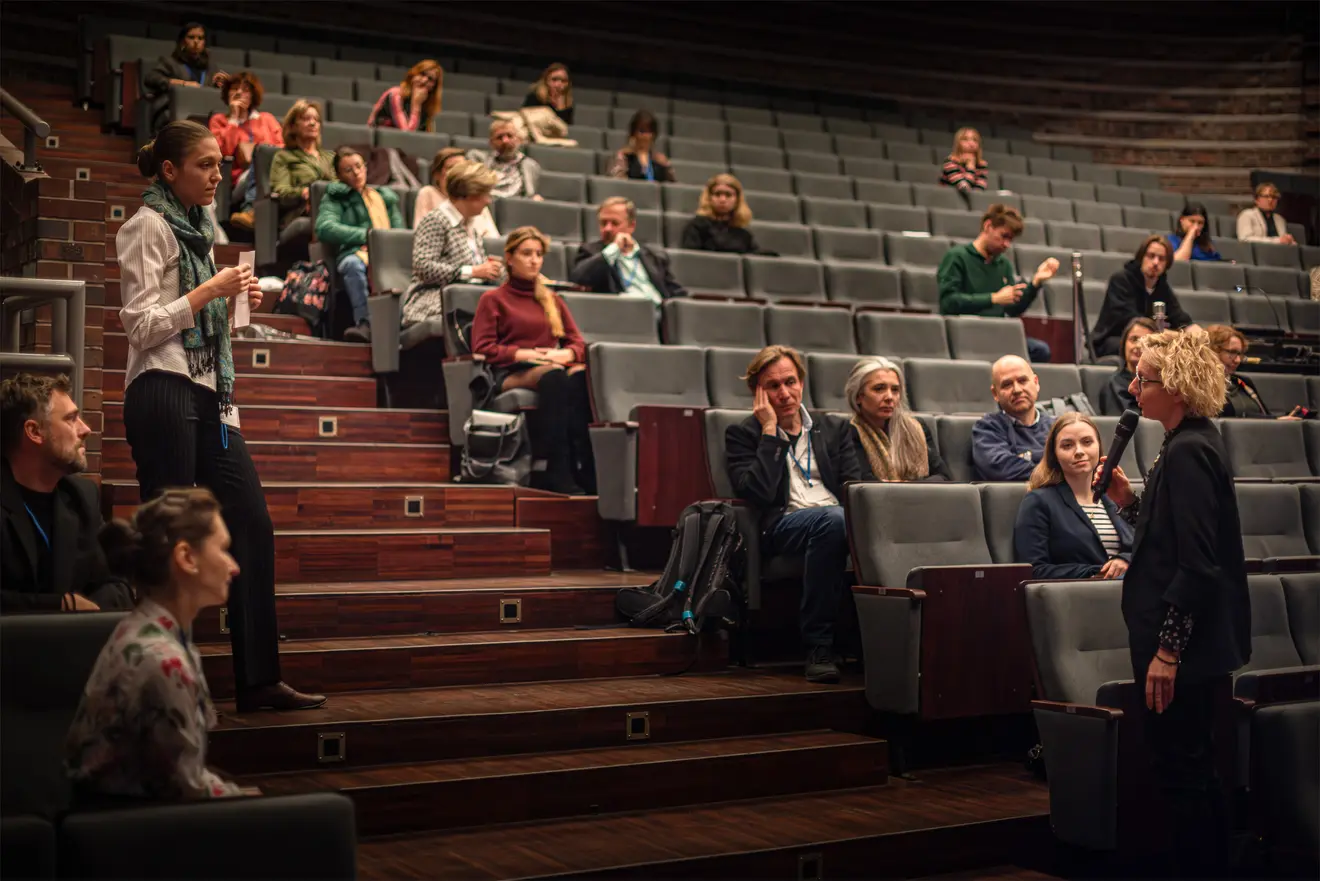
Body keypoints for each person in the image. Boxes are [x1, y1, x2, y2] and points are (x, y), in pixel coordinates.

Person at [117, 121, 324, 712]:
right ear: (170, 171)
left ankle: (258, 681)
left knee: (252, 525)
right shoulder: (146, 225)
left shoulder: (201, 227)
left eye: (220, 164)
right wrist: (211, 290)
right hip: (161, 386)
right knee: (169, 540)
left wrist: (236, 303)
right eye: (205, 165)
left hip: (212, 392)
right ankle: (162, 685)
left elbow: (205, 325)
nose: (218, 175)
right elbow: (141, 326)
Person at [1098, 327, 1249, 880]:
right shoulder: (1189, 440)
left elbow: (1198, 565)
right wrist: (1127, 502)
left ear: (1178, 388)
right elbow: (1169, 540)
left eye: (1144, 379)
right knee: (1193, 771)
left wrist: (1168, 651)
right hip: (1192, 645)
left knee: (1184, 775)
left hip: (1185, 650)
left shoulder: (1188, 452)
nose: (1133, 388)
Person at [66, 489, 254, 802]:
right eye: (223, 549)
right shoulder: (162, 661)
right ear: (186, 558)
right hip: (131, 826)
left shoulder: (158, 630)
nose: (234, 566)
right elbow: (188, 793)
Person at [725, 346, 860, 684]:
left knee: (842, 521)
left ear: (802, 382)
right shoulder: (743, 434)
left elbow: (855, 485)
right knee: (833, 520)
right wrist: (770, 432)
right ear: (758, 393)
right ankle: (819, 644)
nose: (784, 394)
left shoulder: (834, 428)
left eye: (790, 382)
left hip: (838, 519)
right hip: (781, 525)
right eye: (773, 386)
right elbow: (758, 493)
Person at [471, 227, 594, 495]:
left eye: (539, 254)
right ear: (509, 258)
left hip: (548, 364)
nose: (534, 260)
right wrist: (528, 354)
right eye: (526, 254)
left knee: (580, 376)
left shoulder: (552, 299)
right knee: (554, 376)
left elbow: (578, 343)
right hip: (508, 372)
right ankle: (555, 468)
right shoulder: (493, 299)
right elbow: (483, 348)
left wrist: (564, 354)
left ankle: (584, 468)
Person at [1, 374, 133, 613]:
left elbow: (118, 585)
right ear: (34, 432)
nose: (86, 429)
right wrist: (61, 606)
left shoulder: (82, 497)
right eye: (71, 419)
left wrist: (81, 615)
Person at [1013, 412, 1134, 579]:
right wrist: (1096, 572)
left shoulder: (1115, 498)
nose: (1079, 451)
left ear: (1098, 447)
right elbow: (1034, 570)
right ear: (1054, 454)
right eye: (1067, 445)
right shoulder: (1039, 501)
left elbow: (1145, 547)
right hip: (1077, 592)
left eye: (1087, 442)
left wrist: (1125, 560)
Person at [937, 203, 1059, 363]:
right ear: (988, 226)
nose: (1006, 244)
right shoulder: (957, 257)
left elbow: (1012, 309)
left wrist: (1036, 283)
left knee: (1040, 351)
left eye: (1010, 239)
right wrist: (993, 298)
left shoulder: (1003, 264)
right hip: (966, 333)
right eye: (1004, 236)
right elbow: (948, 302)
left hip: (997, 334)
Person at [313, 147, 406, 343]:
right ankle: (366, 323)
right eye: (348, 170)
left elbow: (399, 231)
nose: (356, 173)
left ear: (365, 167)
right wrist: (367, 237)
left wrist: (382, 243)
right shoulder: (335, 197)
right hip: (355, 251)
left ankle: (403, 323)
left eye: (358, 166)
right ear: (339, 175)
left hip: (387, 252)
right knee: (352, 265)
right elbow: (325, 227)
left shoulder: (383, 197)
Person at [401, 161, 501, 326]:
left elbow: (479, 271)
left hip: (467, 296)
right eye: (486, 194)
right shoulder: (436, 220)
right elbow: (423, 267)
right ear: (470, 194)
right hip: (434, 299)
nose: (489, 201)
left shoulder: (471, 226)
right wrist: (472, 271)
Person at [844, 357, 950, 482]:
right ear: (858, 396)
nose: (889, 397)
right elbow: (865, 483)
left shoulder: (917, 427)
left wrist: (907, 487)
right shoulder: (848, 433)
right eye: (879, 389)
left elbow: (944, 477)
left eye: (895, 390)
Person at [1090, 235, 1192, 360]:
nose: (1155, 262)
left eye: (1161, 259)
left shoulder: (1162, 286)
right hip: (1113, 340)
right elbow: (1132, 321)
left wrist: (1197, 335)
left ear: (1167, 264)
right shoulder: (1121, 280)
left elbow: (1180, 318)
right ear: (1141, 257)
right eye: (1151, 256)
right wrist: (1168, 335)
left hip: (1148, 339)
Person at [569, 197, 687, 305]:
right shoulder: (590, 252)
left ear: (631, 226)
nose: (607, 229)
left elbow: (676, 292)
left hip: (658, 312)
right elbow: (578, 279)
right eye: (603, 223)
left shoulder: (654, 256)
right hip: (622, 312)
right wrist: (613, 249)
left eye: (614, 223)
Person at [207, 71, 283, 229]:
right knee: (259, 158)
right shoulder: (219, 121)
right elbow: (221, 153)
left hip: (272, 175)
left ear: (253, 96)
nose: (239, 93)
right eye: (234, 88)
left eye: (245, 90)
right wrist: (234, 120)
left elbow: (281, 149)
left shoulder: (267, 119)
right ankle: (249, 209)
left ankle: (253, 211)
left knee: (263, 155)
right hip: (236, 181)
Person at [268, 100, 336, 260]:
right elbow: (281, 192)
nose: (312, 123)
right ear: (293, 126)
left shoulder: (330, 157)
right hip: (301, 212)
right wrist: (303, 193)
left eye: (316, 120)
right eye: (306, 119)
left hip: (332, 210)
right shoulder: (284, 156)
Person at [972, 355, 1056, 481]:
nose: (1017, 390)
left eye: (1022, 381)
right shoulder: (987, 428)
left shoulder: (1057, 427)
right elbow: (1001, 468)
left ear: (1036, 383)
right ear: (995, 394)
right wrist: (1057, 472)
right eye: (1007, 385)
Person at [143, 23, 230, 135]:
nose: (196, 41)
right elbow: (151, 78)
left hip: (203, 112)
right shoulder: (170, 63)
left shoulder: (210, 68)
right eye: (191, 37)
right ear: (182, 41)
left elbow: (211, 92)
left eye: (200, 38)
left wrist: (225, 84)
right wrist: (183, 84)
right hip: (176, 110)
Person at [1205, 324, 1305, 419]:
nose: (1238, 360)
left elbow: (1264, 414)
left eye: (1240, 354)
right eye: (1232, 352)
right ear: (1213, 351)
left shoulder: (1242, 382)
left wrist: (1280, 419)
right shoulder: (1202, 386)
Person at [414, 146, 500, 235]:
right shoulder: (428, 193)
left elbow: (494, 236)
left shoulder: (475, 198)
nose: (458, 172)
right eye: (451, 168)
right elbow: (421, 231)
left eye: (461, 168)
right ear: (437, 174)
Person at [679, 174, 764, 254]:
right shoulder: (696, 227)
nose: (722, 200)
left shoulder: (744, 235)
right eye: (717, 194)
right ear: (709, 198)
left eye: (728, 195)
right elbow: (691, 258)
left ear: (737, 200)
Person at [466, 119, 542, 200]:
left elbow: (530, 195)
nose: (505, 141)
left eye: (509, 136)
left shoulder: (530, 165)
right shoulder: (479, 159)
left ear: (519, 139)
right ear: (491, 143)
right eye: (499, 137)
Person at [1098, 317, 1156, 415]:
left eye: (1146, 342)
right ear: (1124, 343)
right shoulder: (1114, 384)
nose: (1138, 346)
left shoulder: (1160, 383)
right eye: (1134, 339)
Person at [368, 60, 442, 131]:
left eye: (430, 79)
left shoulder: (426, 105)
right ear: (413, 74)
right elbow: (406, 134)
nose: (424, 81)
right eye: (422, 74)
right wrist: (416, 105)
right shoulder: (396, 95)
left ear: (433, 87)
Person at [607, 110, 675, 182]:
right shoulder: (622, 156)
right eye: (642, 131)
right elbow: (616, 183)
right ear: (633, 133)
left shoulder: (661, 161)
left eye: (649, 132)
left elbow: (672, 185)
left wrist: (666, 166)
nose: (646, 136)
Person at [939, 127, 988, 194]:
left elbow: (979, 191)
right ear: (958, 143)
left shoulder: (981, 165)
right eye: (965, 139)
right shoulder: (950, 162)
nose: (971, 143)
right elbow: (964, 187)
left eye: (975, 140)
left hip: (972, 199)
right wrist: (970, 167)